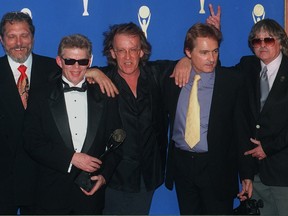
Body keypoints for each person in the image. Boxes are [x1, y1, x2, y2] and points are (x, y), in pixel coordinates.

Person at [23, 34, 122, 214]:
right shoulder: (40, 96)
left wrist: (104, 176)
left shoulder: (105, 95)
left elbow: (117, 142)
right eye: (70, 61)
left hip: (90, 196)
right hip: (49, 195)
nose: (76, 67)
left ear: (90, 61)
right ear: (59, 61)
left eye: (82, 61)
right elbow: (31, 142)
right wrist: (71, 158)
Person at [92, 22, 177, 215]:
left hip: (147, 174)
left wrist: (187, 61)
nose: (128, 57)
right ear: (112, 53)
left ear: (142, 52)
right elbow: (57, 77)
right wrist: (91, 71)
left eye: (133, 50)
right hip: (113, 176)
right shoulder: (101, 79)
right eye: (121, 50)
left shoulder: (156, 74)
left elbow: (196, 59)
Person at [164, 23, 242, 215]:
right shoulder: (173, 78)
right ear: (188, 52)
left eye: (215, 52)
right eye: (204, 52)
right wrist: (91, 71)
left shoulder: (231, 81)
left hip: (217, 167)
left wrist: (247, 174)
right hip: (182, 164)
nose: (212, 59)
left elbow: (242, 129)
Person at [0, 11, 60, 215]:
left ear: (33, 38)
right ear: (2, 40)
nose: (19, 43)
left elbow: (79, 72)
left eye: (24, 35)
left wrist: (93, 72)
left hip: (42, 181)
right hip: (3, 181)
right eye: (11, 36)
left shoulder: (54, 69)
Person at [235, 19, 288, 215]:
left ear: (280, 41)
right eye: (257, 41)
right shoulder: (247, 66)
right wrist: (186, 61)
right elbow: (217, 72)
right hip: (255, 174)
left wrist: (268, 147)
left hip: (284, 172)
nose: (262, 44)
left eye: (268, 39)